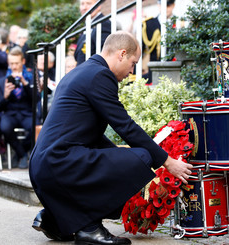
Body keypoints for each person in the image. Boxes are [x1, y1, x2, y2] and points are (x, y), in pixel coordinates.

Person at [29, 31, 193, 244]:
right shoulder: (100, 76)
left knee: (127, 160)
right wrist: (167, 161)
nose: (132, 71)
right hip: (59, 163)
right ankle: (89, 229)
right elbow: (125, 126)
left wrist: (122, 155)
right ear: (122, 54)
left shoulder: (81, 72)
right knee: (141, 158)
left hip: (45, 166)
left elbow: (92, 137)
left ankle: (56, 218)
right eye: (133, 63)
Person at [0, 46, 34, 169]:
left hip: (26, 113)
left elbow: (36, 99)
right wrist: (5, 96)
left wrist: (25, 84)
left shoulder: (31, 77)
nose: (14, 66)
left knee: (36, 127)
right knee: (4, 127)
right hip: (10, 114)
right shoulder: (2, 81)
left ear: (23, 62)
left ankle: (20, 152)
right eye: (11, 63)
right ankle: (22, 154)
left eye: (16, 63)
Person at [142, 0, 176, 84]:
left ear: (173, 5)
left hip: (175, 71)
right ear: (158, 5)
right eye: (163, 5)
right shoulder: (148, 24)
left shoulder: (180, 24)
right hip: (154, 72)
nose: (165, 8)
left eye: (168, 5)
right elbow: (140, 49)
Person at [74, 0, 111, 65]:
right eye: (82, 4)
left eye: (88, 3)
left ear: (98, 6)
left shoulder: (104, 24)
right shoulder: (86, 26)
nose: (84, 8)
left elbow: (106, 55)